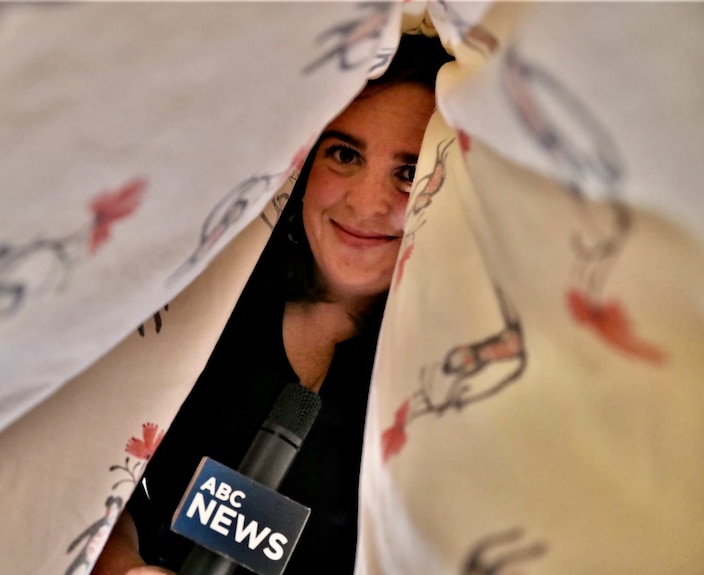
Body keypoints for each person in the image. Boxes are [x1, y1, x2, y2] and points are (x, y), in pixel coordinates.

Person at [94, 33, 452, 575]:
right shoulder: (205, 305)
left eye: (409, 172)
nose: (365, 202)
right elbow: (85, 477)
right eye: (345, 154)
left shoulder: (443, 393)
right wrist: (124, 568)